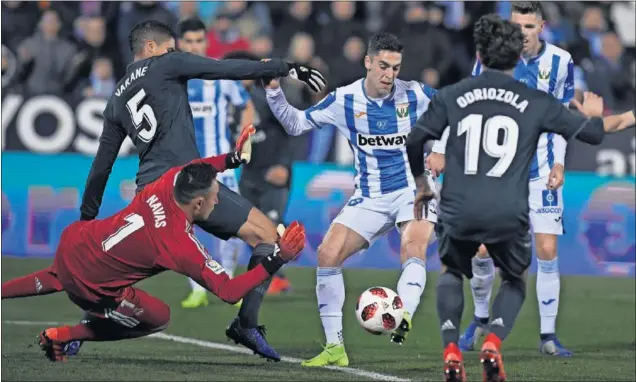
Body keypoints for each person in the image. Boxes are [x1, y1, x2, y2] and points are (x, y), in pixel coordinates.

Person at [76, 20, 325, 362]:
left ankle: (85, 322)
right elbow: (222, 69)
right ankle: (246, 323)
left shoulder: (116, 99)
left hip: (154, 193)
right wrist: (285, 67)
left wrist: (86, 217)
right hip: (188, 183)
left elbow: (101, 165)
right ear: (152, 48)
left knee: (122, 270)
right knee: (268, 240)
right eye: (170, 48)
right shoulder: (166, 63)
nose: (177, 52)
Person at [405, 14, 636, 382]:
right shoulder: (533, 102)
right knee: (513, 277)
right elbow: (591, 134)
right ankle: (493, 339)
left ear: (480, 52)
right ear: (517, 57)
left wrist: (421, 183)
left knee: (452, 271)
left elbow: (416, 140)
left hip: (459, 204)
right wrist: (592, 116)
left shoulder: (454, 94)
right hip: (506, 206)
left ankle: (451, 347)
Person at [1, 128, 307, 363]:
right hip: (91, 288)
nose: (218, 200)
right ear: (199, 203)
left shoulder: (169, 181)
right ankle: (67, 336)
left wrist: (232, 159)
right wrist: (279, 257)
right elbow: (229, 292)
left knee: (60, 275)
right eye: (215, 197)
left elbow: (196, 166)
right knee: (157, 316)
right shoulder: (179, 244)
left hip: (75, 241)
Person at [265, 32, 440, 367]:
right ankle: (335, 348)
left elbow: (452, 112)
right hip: (370, 196)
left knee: (413, 246)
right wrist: (274, 91)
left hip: (413, 188)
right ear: (368, 63)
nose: (390, 75)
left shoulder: (415, 94)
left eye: (396, 68)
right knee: (328, 253)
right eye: (384, 66)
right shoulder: (343, 100)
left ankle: (403, 314)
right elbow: (295, 123)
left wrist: (442, 150)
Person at [427, 1, 577, 356]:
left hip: (541, 169)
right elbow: (466, 104)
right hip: (500, 173)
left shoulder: (561, 62)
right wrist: (442, 147)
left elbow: (562, 117)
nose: (521, 33)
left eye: (528, 26)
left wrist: (560, 163)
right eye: (516, 26)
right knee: (481, 250)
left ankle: (548, 337)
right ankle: (480, 318)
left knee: (547, 249)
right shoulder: (494, 59)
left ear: (541, 27)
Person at [175, 17, 255, 309]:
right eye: (189, 42)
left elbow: (246, 104)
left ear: (205, 42)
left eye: (199, 41)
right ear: (180, 44)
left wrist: (243, 140)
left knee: (231, 224)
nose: (195, 47)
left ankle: (229, 281)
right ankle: (196, 288)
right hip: (185, 166)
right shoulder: (172, 77)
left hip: (222, 164)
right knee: (187, 228)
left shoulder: (218, 75)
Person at [225, 50, 297, 296]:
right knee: (250, 229)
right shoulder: (224, 105)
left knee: (270, 223)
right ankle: (275, 267)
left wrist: (284, 165)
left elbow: (291, 128)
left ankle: (277, 277)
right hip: (249, 174)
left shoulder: (265, 99)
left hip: (273, 172)